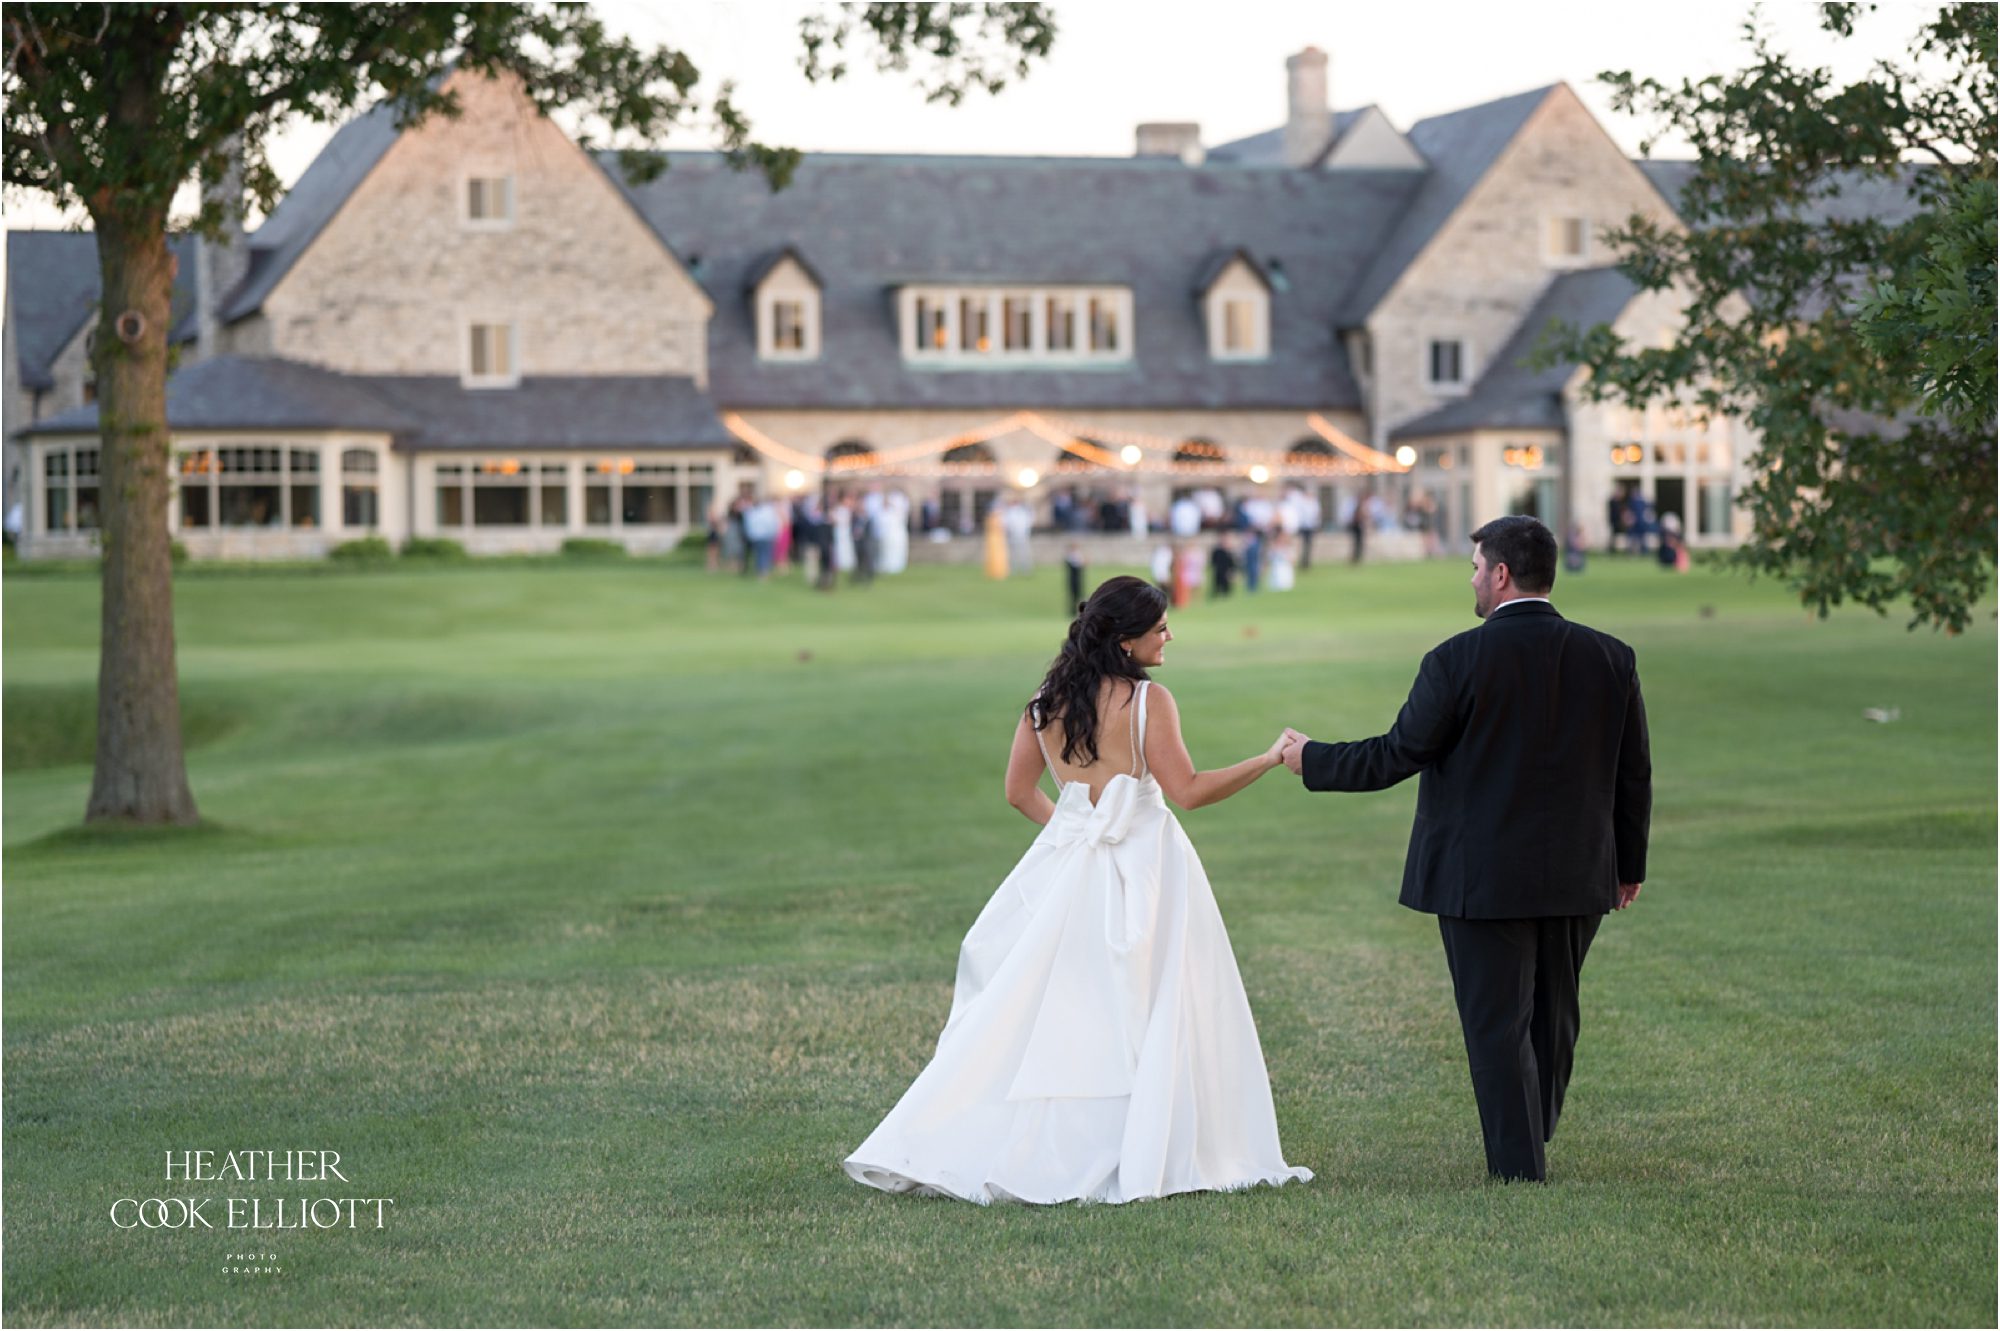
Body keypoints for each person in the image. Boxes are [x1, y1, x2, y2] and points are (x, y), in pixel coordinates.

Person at [843, 577, 1313, 1205]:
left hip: (1072, 870)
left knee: (1068, 1011)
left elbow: (1018, 792)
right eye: (1160, 628)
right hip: (1148, 868)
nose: (1169, 635)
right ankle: (1145, 1144)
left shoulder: (1044, 702)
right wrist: (1268, 759)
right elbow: (1191, 791)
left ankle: (1050, 1145)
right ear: (1125, 641)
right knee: (1153, 1001)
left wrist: (1078, 829)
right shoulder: (1151, 702)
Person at [1279, 515, 1651, 1183]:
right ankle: (1527, 1145)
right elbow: (1634, 772)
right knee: (1554, 1018)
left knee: (1497, 1026)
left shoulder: (1455, 659)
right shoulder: (1611, 656)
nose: (1473, 579)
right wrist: (1629, 865)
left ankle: (1518, 1168)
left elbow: (1398, 754)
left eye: (1477, 567)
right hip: (1579, 869)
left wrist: (1311, 759)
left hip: (1481, 879)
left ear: (1502, 574)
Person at [1208, 535, 1238, 599]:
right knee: (1217, 583)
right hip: (1218, 569)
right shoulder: (1217, 551)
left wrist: (1232, 570)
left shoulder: (1228, 552)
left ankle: (1226, 594)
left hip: (1226, 570)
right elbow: (1213, 560)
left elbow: (1231, 562)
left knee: (1226, 583)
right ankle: (1215, 595)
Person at [1064, 542, 1086, 614]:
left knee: (1079, 595)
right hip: (1072, 579)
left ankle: (1079, 610)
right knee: (1073, 596)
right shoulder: (1070, 557)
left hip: (1078, 579)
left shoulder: (1078, 556)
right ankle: (1073, 611)